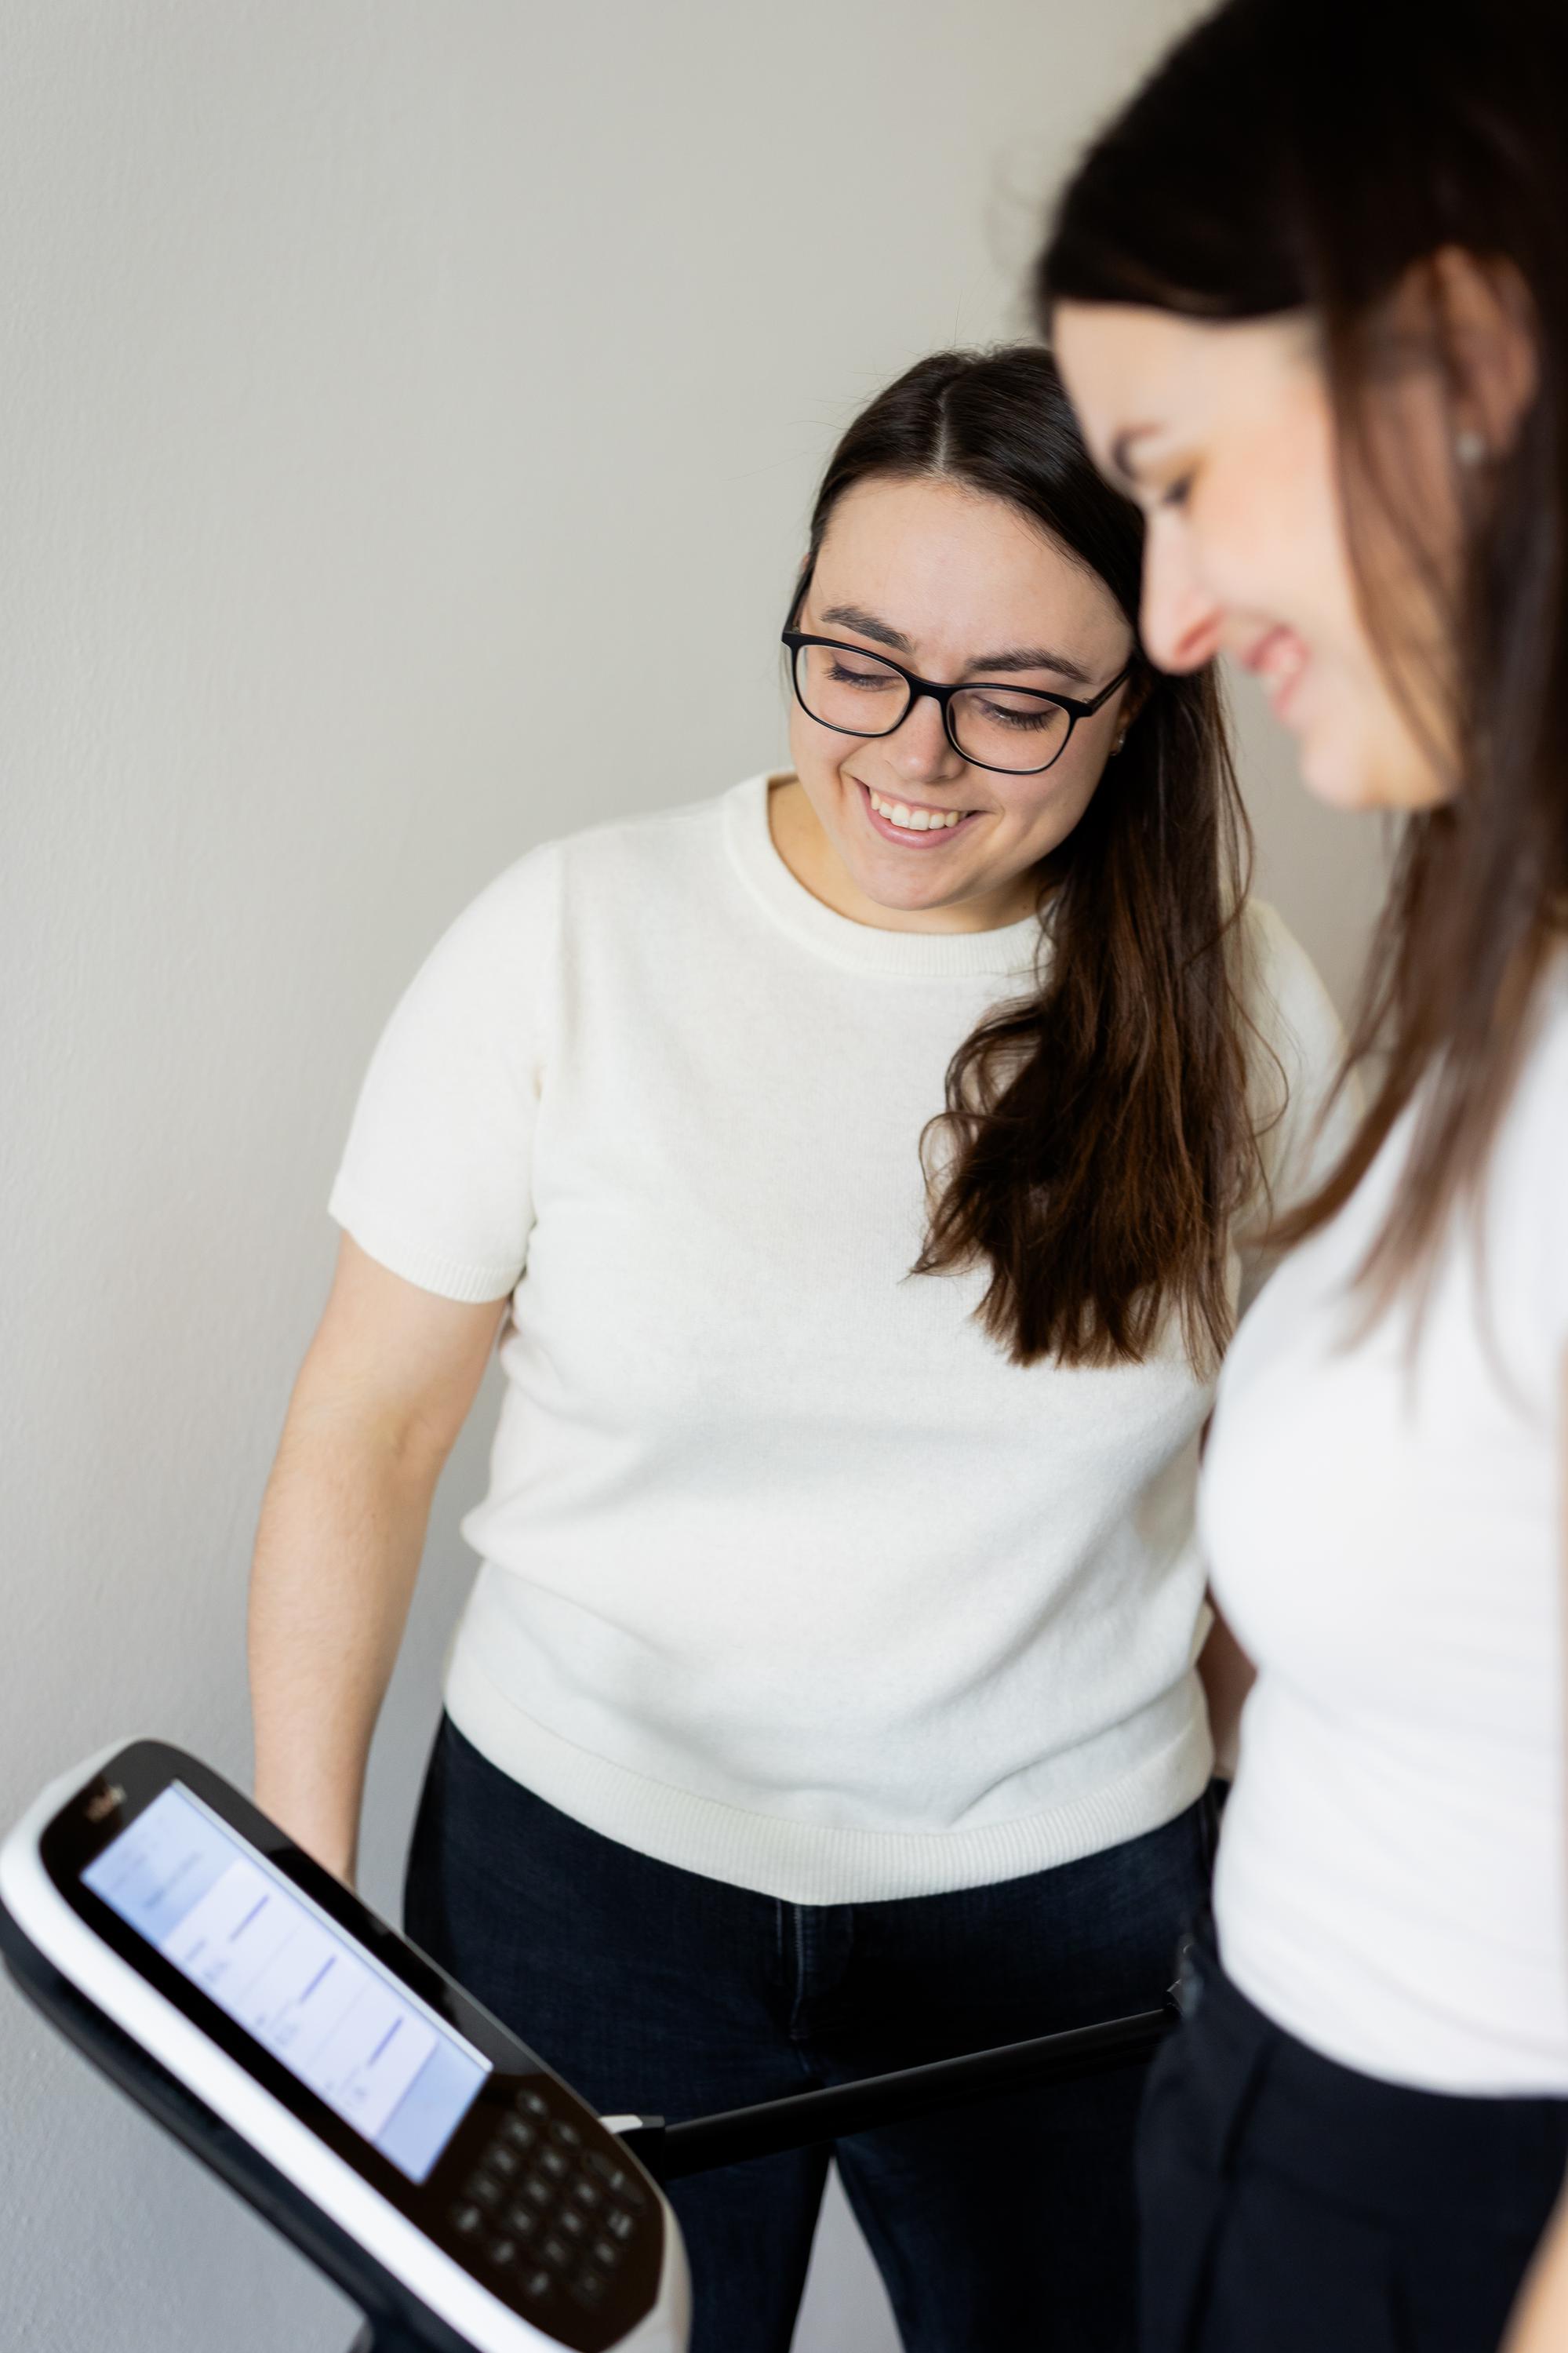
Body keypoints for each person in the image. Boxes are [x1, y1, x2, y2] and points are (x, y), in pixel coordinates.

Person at [246, 344, 1345, 2353]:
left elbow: (1303, 1460)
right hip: (585, 1876)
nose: (917, 756)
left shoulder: (1237, 1008)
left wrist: (1267, 1841)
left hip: (1078, 1895)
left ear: (1140, 703)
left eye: (1016, 699)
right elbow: (365, 1437)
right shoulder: (566, 941)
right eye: (857, 659)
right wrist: (312, 1914)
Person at [1039, 4, 1568, 2348]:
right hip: (1260, 2093)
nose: (1163, 622)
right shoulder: (1490, 943)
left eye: (1175, 471)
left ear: (1461, 350)